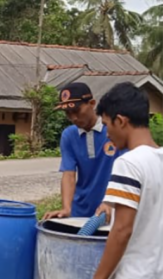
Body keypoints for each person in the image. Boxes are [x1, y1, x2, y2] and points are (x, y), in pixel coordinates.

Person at [81, 82, 163, 279]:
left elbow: (123, 230)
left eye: (106, 124)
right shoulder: (159, 159)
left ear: (121, 120)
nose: (108, 134)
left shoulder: (128, 163)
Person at [44, 82, 121, 221]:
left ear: (92, 104)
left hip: (111, 210)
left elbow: (124, 172)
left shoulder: (112, 130)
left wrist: (111, 201)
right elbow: (69, 174)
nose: (73, 118)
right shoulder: (69, 135)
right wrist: (67, 208)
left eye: (77, 111)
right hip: (80, 211)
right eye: (68, 113)